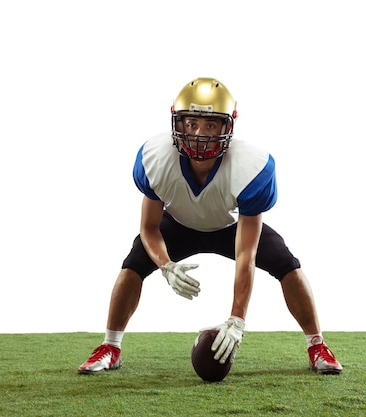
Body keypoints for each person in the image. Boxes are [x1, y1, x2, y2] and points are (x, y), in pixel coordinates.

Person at [78, 77, 343, 375]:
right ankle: (110, 347)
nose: (199, 135)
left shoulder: (251, 167)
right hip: (178, 223)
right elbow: (149, 229)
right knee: (133, 264)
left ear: (228, 127)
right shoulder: (156, 158)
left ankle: (317, 345)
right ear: (177, 124)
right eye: (191, 124)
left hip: (231, 226)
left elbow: (246, 255)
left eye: (210, 126)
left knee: (286, 264)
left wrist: (236, 320)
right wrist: (166, 265)